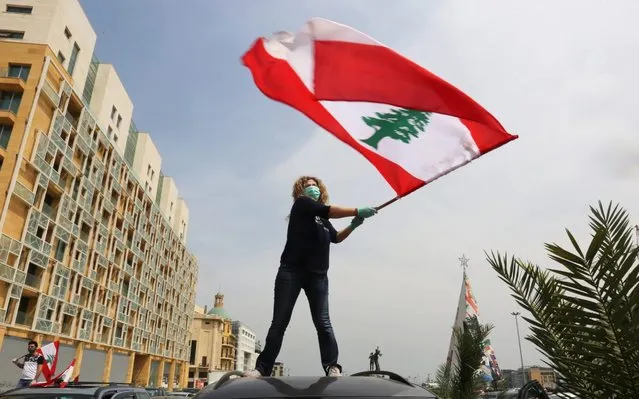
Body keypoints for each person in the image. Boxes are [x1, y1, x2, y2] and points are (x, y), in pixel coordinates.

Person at [244, 176, 378, 377]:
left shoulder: (323, 219)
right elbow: (330, 211)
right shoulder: (302, 204)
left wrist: (353, 225)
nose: (312, 188)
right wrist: (358, 210)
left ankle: (332, 366)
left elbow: (336, 238)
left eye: (315, 186)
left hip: (318, 276)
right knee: (280, 321)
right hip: (292, 271)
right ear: (301, 191)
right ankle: (262, 368)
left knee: (323, 323)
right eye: (308, 186)